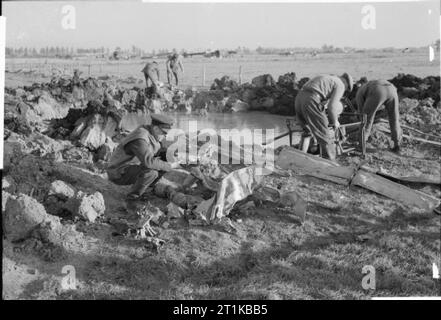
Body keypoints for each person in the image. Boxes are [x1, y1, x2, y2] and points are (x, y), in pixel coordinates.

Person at [107, 114, 180, 204]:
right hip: (118, 172)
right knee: (151, 172)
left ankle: (147, 187)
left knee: (165, 160)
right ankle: (132, 197)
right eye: (165, 133)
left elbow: (158, 151)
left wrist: (175, 156)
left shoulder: (152, 132)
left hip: (132, 167)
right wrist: (171, 166)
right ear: (156, 129)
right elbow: (148, 161)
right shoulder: (140, 137)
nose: (165, 136)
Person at [295, 73, 353, 160]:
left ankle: (299, 158)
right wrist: (335, 121)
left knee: (307, 131)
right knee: (324, 135)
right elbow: (331, 107)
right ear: (346, 83)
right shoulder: (340, 84)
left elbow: (324, 101)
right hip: (311, 99)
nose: (344, 91)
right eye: (346, 89)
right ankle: (329, 162)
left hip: (299, 98)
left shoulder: (327, 78)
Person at [355, 79, 401, 153]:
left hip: (378, 91)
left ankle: (361, 145)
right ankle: (397, 145)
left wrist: (359, 119)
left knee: (366, 120)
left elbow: (362, 115)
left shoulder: (360, 91)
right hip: (392, 89)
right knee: (394, 119)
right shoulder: (371, 83)